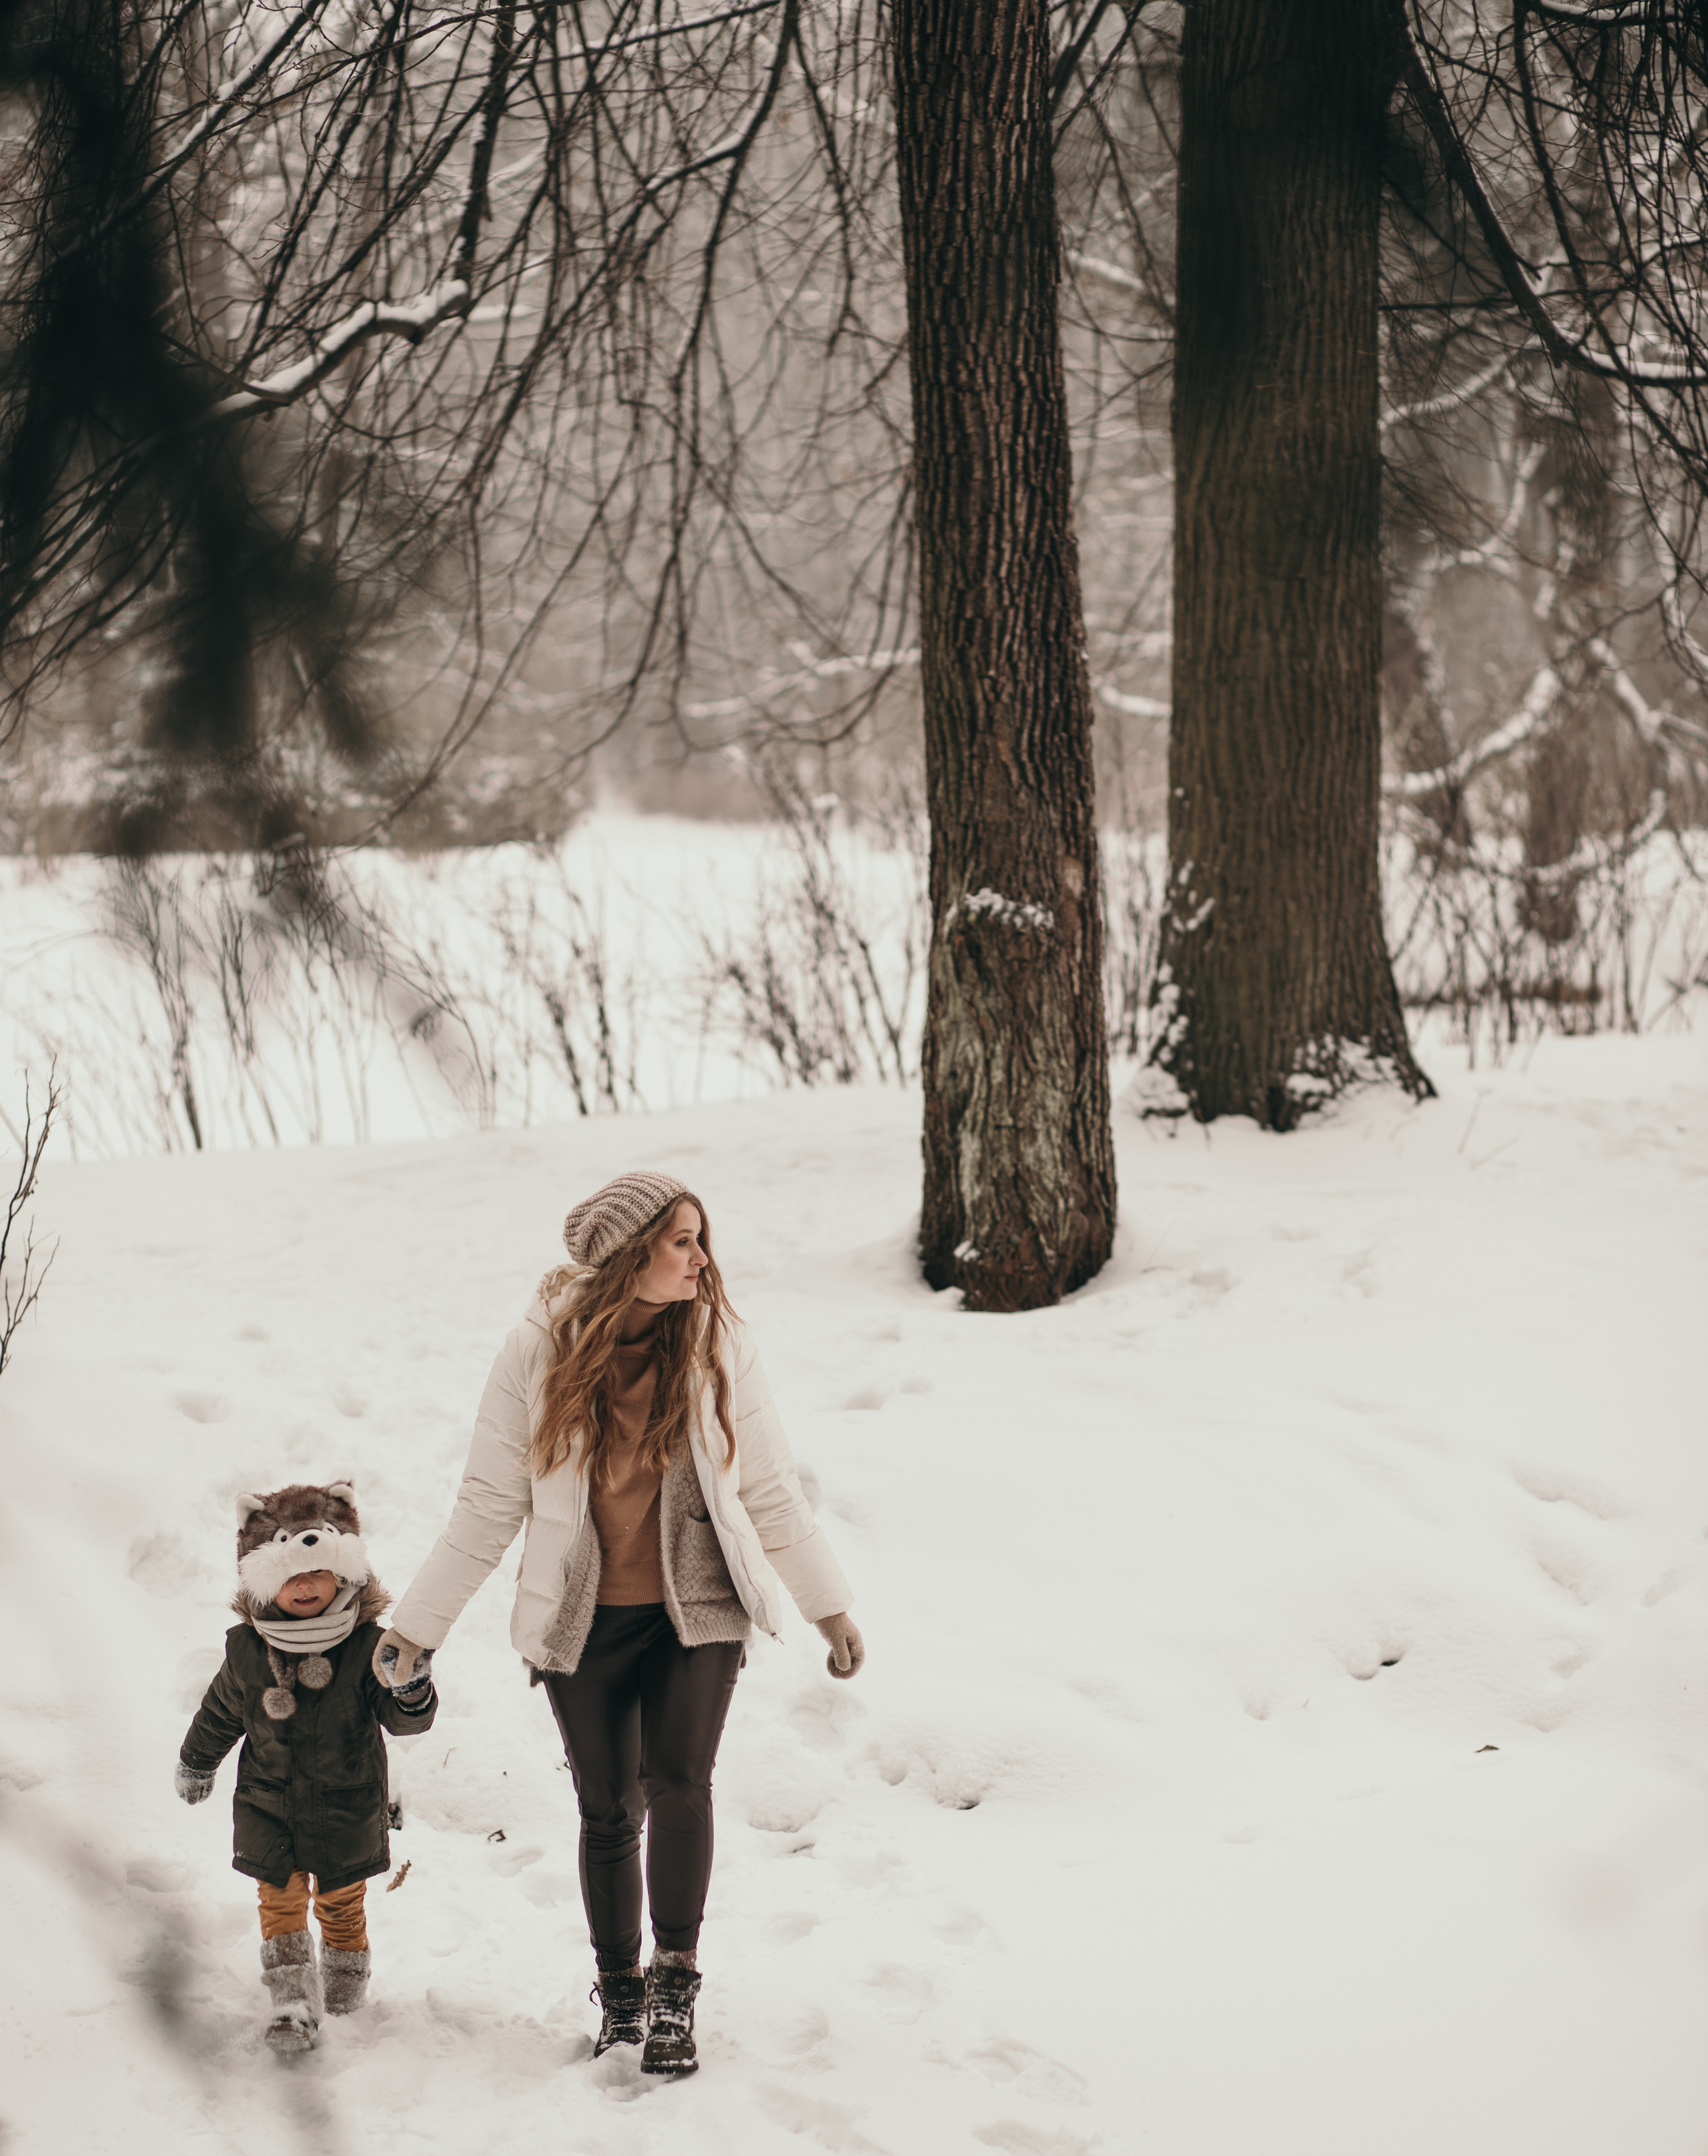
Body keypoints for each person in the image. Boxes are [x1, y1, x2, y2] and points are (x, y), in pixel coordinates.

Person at [376, 1170, 863, 2076]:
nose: (700, 1257)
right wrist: (418, 1626)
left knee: (681, 1780)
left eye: (699, 1237)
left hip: (698, 1605)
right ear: (627, 1252)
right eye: (682, 1239)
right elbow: (487, 1503)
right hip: (582, 1615)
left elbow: (766, 1484)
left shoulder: (718, 1343)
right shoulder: (538, 1350)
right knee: (608, 1809)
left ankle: (676, 1984)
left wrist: (827, 1604)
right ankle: (623, 1992)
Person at [175, 1479, 438, 2055]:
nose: (306, 1584)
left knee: (342, 1903)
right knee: (280, 1901)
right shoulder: (248, 1650)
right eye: (291, 1575)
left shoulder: (367, 1644)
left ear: (342, 1575)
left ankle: (344, 1994)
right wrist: (197, 1759)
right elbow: (221, 1711)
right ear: (263, 1578)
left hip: (348, 1803)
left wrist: (412, 1691)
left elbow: (402, 1718)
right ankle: (292, 1999)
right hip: (271, 1804)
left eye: (318, 1573)